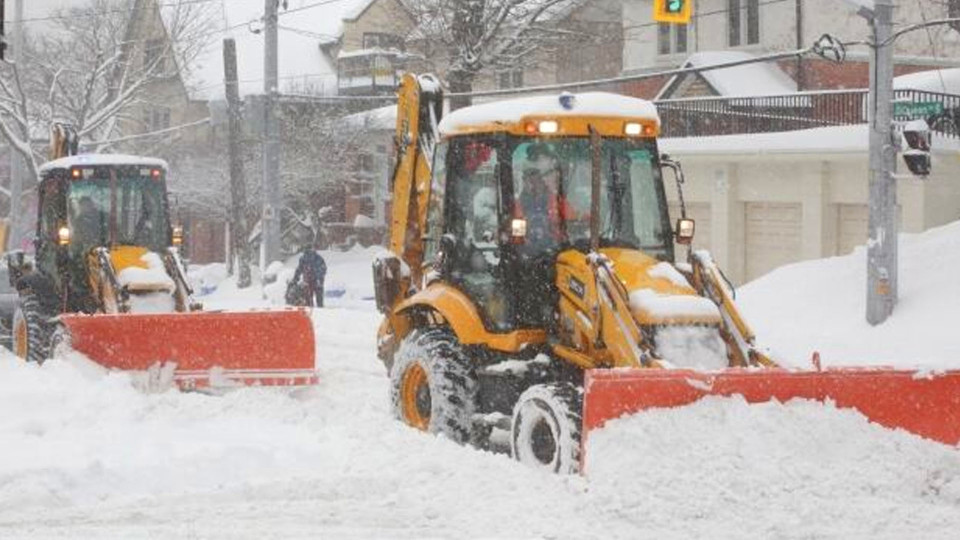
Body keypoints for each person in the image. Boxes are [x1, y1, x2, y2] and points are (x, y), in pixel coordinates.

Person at [292, 242, 327, 307]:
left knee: (308, 298)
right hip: (316, 281)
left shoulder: (303, 258)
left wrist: (295, 278)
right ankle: (320, 310)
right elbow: (323, 269)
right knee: (318, 298)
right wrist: (319, 278)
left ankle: (310, 309)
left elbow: (299, 269)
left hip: (309, 280)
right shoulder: (318, 258)